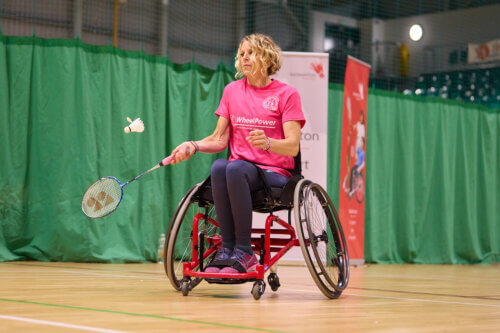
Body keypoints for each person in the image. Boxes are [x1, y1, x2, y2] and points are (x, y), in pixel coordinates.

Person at [167, 33, 305, 274]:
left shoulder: (287, 94)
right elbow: (219, 139)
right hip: (237, 172)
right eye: (241, 53)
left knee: (234, 167)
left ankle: (245, 251)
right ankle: (227, 250)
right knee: (220, 166)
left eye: (251, 52)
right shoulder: (232, 91)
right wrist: (192, 145)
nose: (244, 57)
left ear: (267, 56)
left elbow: (293, 146)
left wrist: (269, 143)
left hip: (274, 173)